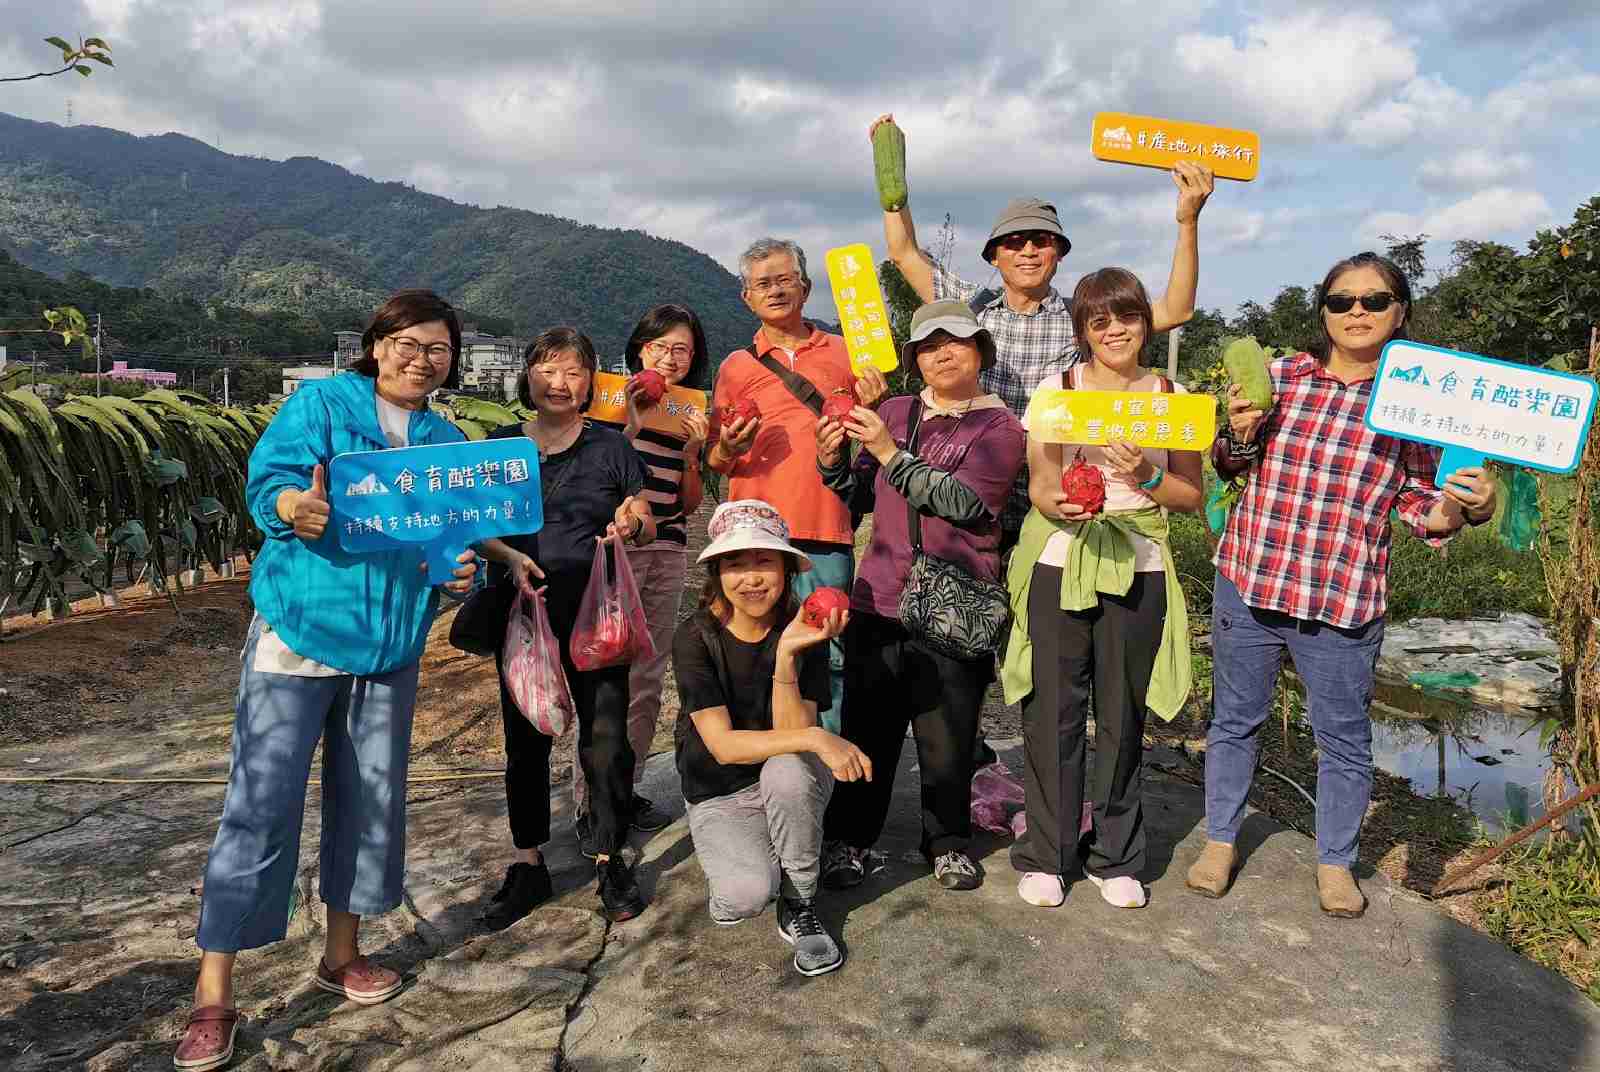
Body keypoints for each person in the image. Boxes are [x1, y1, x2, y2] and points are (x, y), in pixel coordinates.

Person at [176, 290, 479, 1072]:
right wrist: (289, 505)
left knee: (369, 802)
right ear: (376, 345)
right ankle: (214, 996)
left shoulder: (444, 441)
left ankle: (341, 953)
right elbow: (269, 482)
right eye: (409, 343)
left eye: (439, 349)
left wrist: (458, 573)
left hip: (388, 648)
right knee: (259, 808)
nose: (422, 359)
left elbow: (445, 547)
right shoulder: (321, 405)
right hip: (298, 637)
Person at [1188, 252, 1498, 917]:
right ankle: (1219, 841)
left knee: (1344, 738)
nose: (1357, 312)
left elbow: (1422, 504)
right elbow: (1227, 462)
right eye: (1342, 301)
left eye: (1375, 300)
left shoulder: (1417, 405)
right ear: (1323, 311)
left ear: (1400, 311)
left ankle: (1335, 862)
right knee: (1237, 720)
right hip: (1251, 579)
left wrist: (1466, 504)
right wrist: (1238, 436)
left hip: (1342, 596)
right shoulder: (1279, 376)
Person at [872, 113, 1214, 543]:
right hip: (975, 492)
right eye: (1014, 243)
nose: (1029, 250)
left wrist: (1188, 223)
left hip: (1057, 498)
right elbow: (904, 253)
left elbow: (1176, 309)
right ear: (994, 257)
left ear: (1059, 254)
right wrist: (888, 166)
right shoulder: (968, 309)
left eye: (1042, 241)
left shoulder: (1084, 319)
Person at [1002, 269, 1204, 911]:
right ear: (1083, 331)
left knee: (1123, 711)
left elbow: (1192, 496)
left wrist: (1144, 473)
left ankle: (1117, 855)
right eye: (1099, 321)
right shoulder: (1057, 392)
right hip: (1064, 558)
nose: (1115, 330)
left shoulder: (1172, 397)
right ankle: (1047, 853)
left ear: (1145, 322)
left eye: (1126, 317)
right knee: (1053, 709)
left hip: (1140, 562)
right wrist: (1060, 505)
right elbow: (1040, 483)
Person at [814, 300, 1025, 892]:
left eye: (954, 341)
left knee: (948, 732)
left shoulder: (1001, 428)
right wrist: (831, 457)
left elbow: (965, 504)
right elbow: (855, 494)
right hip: (879, 596)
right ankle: (850, 839)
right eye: (928, 346)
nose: (942, 353)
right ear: (914, 359)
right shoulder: (896, 410)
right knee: (868, 728)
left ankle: (947, 840)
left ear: (979, 350)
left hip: (955, 601)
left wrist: (885, 449)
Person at [475, 327, 656, 930]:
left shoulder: (611, 448)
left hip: (594, 617)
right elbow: (475, 527)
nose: (560, 382)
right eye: (547, 369)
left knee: (605, 739)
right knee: (524, 743)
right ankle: (528, 863)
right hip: (522, 612)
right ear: (527, 375)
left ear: (590, 382)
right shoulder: (499, 447)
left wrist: (631, 523)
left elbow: (645, 517)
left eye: (574, 371)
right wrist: (508, 557)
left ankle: (609, 857)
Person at [672, 499, 869, 977]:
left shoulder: (806, 630)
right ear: (717, 573)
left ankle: (800, 898)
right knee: (743, 897)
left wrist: (786, 656)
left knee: (787, 769)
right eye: (735, 564)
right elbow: (722, 745)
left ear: (786, 568)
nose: (751, 577)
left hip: (786, 778)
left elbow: (790, 738)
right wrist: (821, 740)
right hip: (719, 786)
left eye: (764, 561)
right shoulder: (695, 638)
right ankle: (769, 852)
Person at [706, 237, 887, 732]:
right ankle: (760, 770)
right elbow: (716, 459)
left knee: (827, 653)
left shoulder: (845, 354)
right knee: (751, 652)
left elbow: (871, 438)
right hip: (752, 536)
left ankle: (825, 777)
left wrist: (875, 402)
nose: (776, 290)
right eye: (763, 283)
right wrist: (727, 445)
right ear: (747, 297)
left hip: (824, 526)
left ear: (805, 288)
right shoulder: (735, 368)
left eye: (786, 279)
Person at [573, 304, 712, 844]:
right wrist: (628, 422)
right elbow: (597, 475)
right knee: (606, 674)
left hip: (668, 549)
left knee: (649, 677)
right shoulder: (606, 400)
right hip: (614, 551)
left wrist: (695, 450)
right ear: (639, 351)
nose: (669, 359)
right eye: (659, 348)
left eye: (681, 349)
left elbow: (689, 503)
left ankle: (623, 790)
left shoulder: (690, 412)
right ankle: (592, 802)